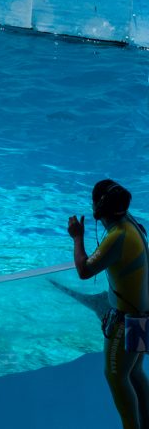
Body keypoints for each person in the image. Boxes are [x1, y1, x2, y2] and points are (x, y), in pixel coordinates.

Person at [69, 179, 149, 429]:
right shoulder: (132, 224)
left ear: (98, 208)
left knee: (115, 376)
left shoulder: (117, 236)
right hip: (142, 317)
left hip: (127, 322)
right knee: (134, 372)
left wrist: (77, 237)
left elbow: (84, 270)